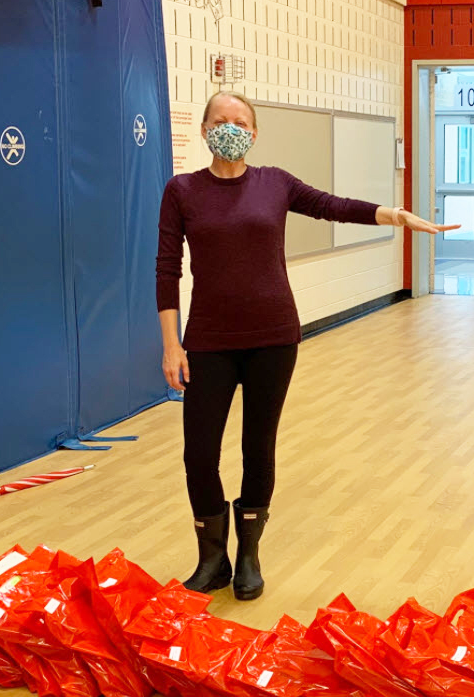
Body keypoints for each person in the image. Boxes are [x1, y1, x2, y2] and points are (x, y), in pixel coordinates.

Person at [156, 91, 456, 600]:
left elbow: (331, 206)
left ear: (254, 132)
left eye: (241, 121)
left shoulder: (275, 183)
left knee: (258, 447)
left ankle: (248, 556)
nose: (231, 127)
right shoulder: (182, 190)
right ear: (204, 128)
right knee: (199, 454)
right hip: (207, 340)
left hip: (273, 336)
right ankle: (212, 560)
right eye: (221, 120)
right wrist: (171, 344)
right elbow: (167, 269)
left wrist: (395, 215)